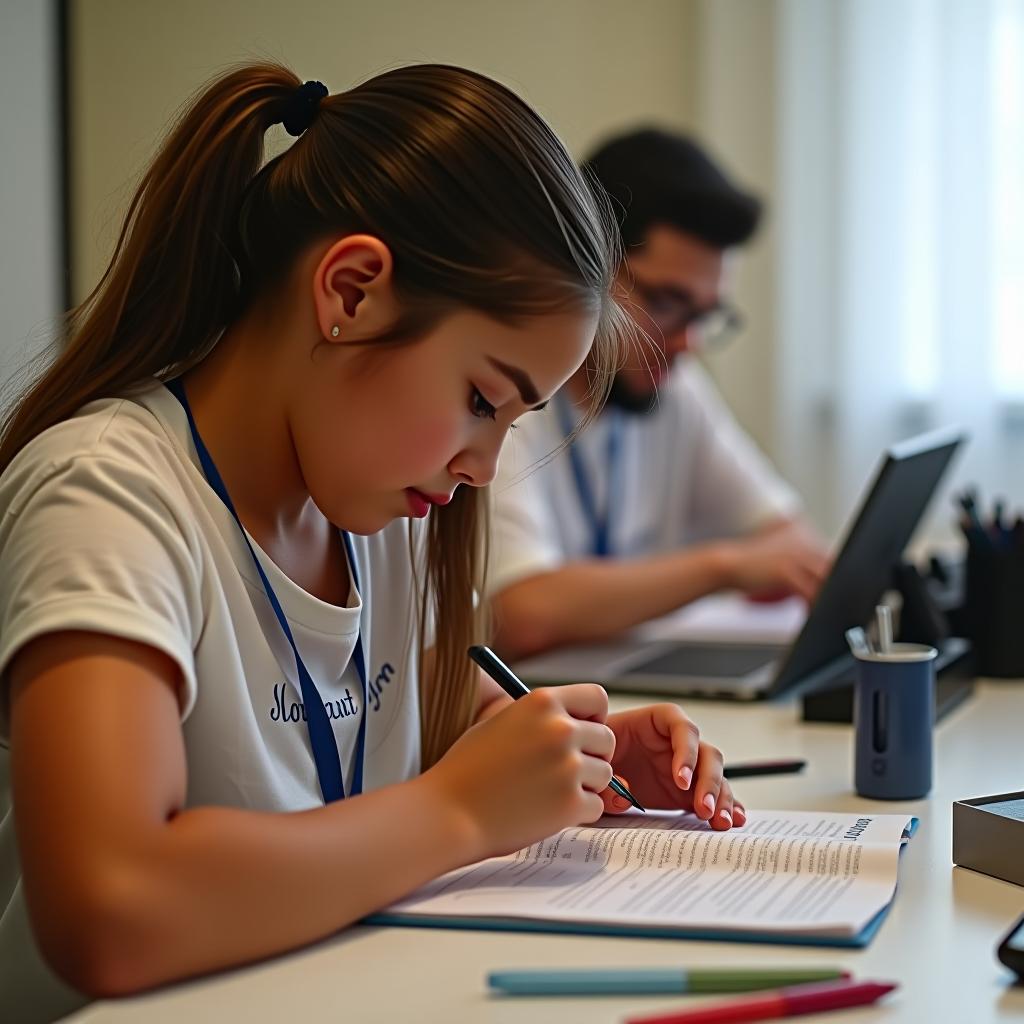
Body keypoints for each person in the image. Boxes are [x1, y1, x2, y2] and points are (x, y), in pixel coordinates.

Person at [0, 66, 744, 1022]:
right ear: (351, 291)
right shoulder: (109, 494)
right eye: (481, 399)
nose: (482, 467)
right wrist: (463, 810)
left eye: (512, 422)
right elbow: (109, 909)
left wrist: (570, 749)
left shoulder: (370, 505)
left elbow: (412, 712)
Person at [487, 128, 830, 660]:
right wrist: (726, 567)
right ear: (584, 265)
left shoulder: (674, 383)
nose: (687, 342)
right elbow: (522, 612)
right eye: (669, 302)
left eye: (705, 315)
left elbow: (791, 542)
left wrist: (763, 567)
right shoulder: (505, 396)